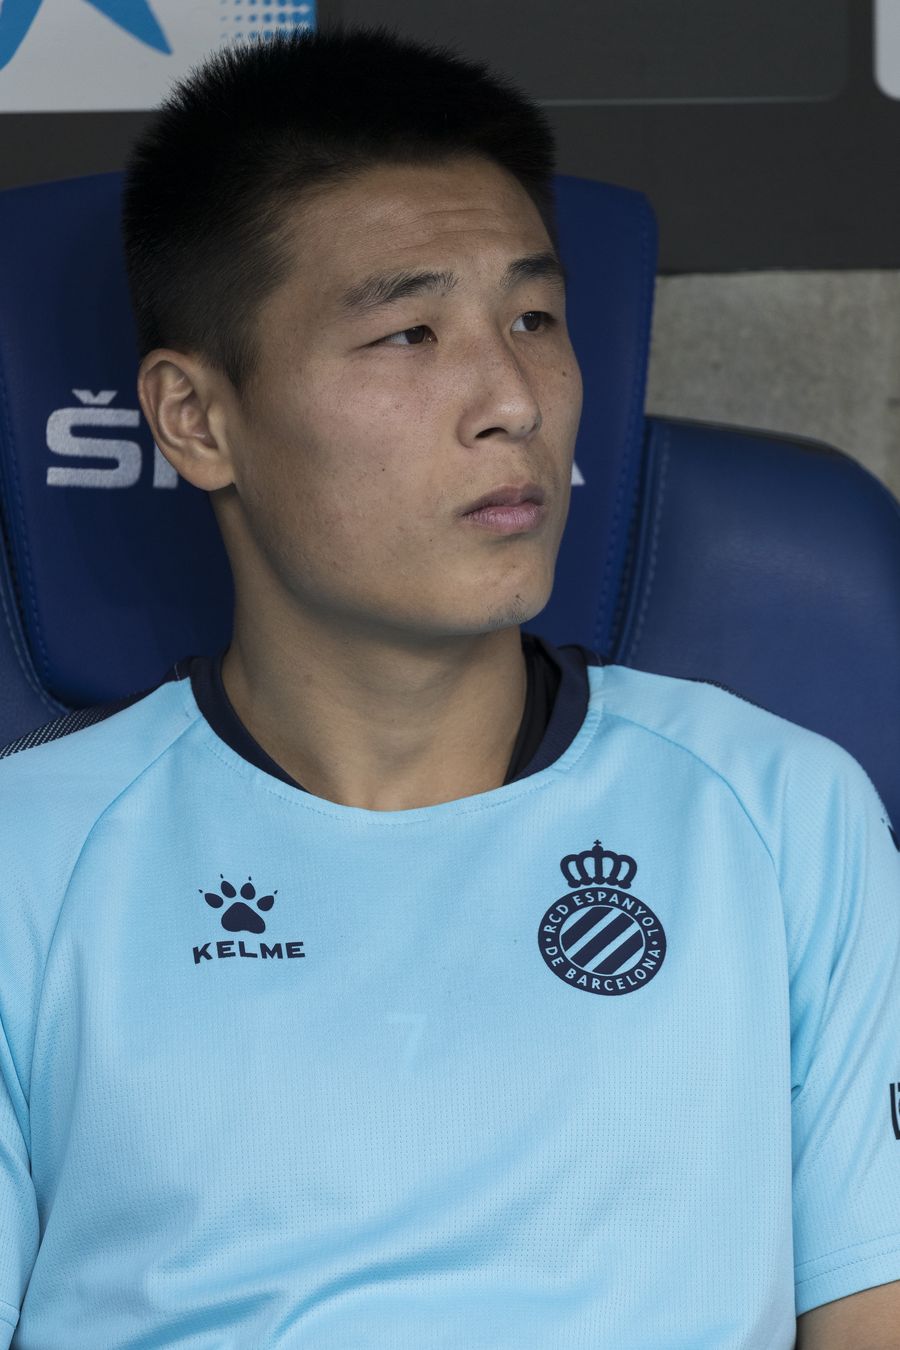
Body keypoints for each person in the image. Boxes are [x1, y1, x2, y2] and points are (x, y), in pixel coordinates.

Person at [0, 23, 898, 1350]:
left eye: (535, 320)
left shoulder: (783, 813)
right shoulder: (27, 857)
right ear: (196, 418)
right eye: (409, 333)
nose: (512, 400)